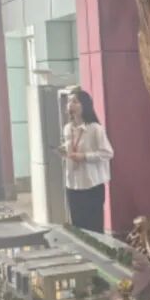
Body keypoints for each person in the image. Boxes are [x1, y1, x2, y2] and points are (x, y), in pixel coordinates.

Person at [61, 88, 113, 233]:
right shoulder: (67, 128)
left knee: (93, 228)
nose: (70, 105)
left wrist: (84, 156)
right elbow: (71, 147)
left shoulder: (95, 128)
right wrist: (64, 151)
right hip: (72, 184)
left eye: (75, 101)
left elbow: (107, 153)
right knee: (78, 228)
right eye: (69, 102)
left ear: (85, 105)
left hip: (91, 185)